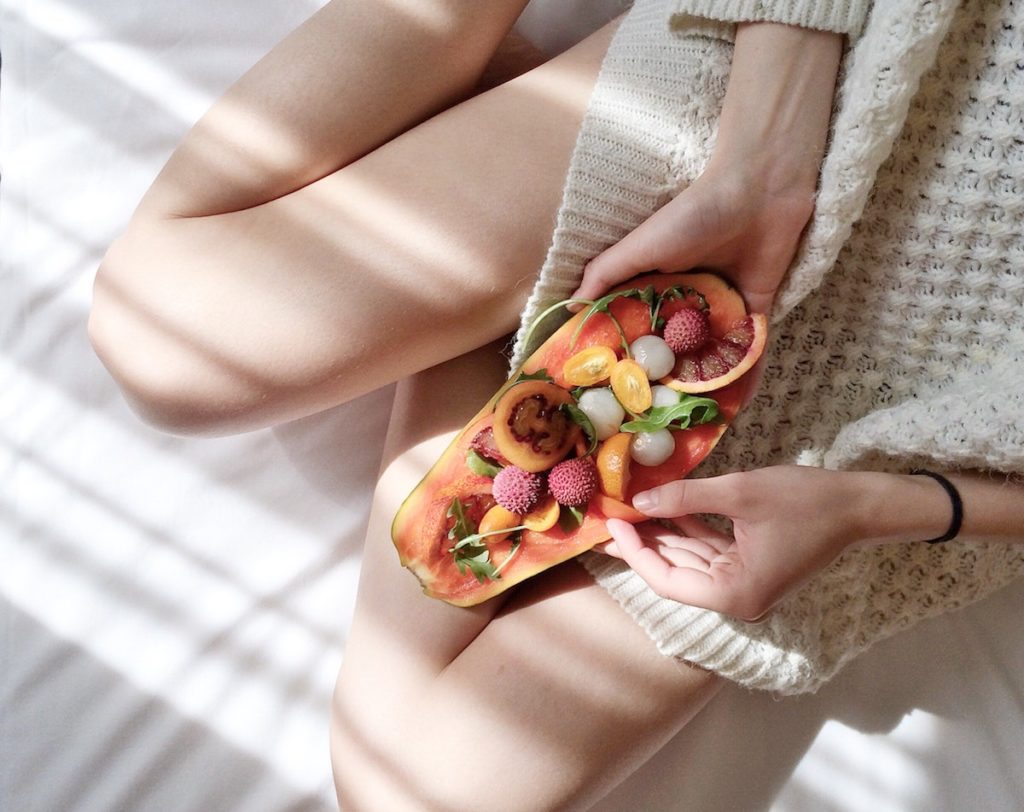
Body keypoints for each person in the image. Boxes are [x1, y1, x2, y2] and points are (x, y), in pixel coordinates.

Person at [88, 0, 1024, 808]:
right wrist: (762, 167)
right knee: (164, 346)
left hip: (885, 438)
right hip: (810, 115)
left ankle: (506, 333)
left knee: (416, 795)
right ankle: (508, 298)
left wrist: (885, 509)